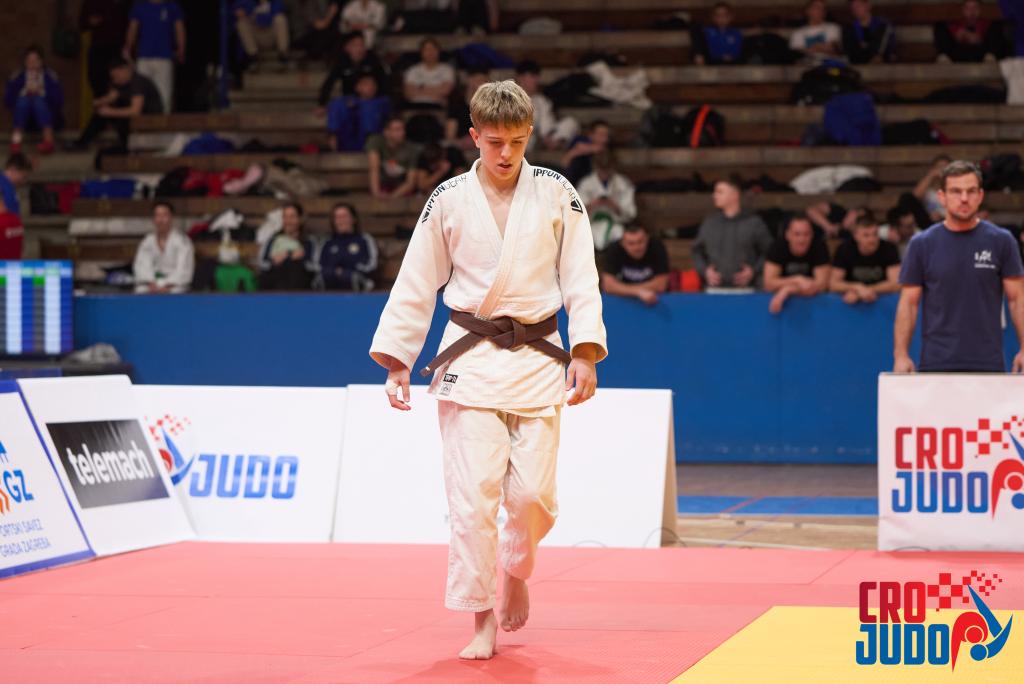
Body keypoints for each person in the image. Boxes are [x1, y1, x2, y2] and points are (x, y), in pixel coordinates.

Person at [369, 80, 606, 660]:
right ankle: (480, 618)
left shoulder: (557, 192)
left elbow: (581, 275)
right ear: (474, 135)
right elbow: (417, 279)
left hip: (539, 356)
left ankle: (516, 569)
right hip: (470, 360)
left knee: (532, 497)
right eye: (496, 142)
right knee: (472, 501)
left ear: (531, 136)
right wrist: (398, 360)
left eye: (518, 143)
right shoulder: (448, 198)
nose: (506, 154)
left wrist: (584, 351)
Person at [895, 160, 1024, 373]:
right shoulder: (922, 244)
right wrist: (901, 354)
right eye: (956, 191)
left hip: (988, 363)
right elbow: (908, 303)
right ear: (942, 197)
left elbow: (1017, 299)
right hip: (936, 363)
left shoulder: (1002, 241)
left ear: (980, 196)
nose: (964, 198)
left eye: (971, 191)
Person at [691, 177, 773, 289]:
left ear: (735, 195)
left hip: (748, 290)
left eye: (720, 192)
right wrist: (705, 271)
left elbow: (770, 252)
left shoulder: (754, 223)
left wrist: (754, 271)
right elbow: (696, 251)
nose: (714, 195)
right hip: (714, 291)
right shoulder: (709, 223)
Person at [74, 57, 163, 148]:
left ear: (125, 70)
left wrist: (110, 112)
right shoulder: (121, 84)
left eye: (117, 75)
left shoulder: (138, 82)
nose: (115, 79)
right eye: (113, 76)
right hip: (133, 121)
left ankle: (124, 146)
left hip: (148, 120)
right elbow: (111, 97)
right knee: (101, 113)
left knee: (110, 113)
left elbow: (135, 111)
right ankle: (82, 142)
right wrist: (99, 102)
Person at [124, 0, 185, 113]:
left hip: (164, 56)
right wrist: (128, 46)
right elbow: (133, 28)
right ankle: (141, 118)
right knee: (140, 90)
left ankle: (163, 119)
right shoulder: (140, 6)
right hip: (144, 56)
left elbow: (179, 28)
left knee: (164, 92)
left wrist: (181, 48)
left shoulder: (171, 6)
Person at [763, 214, 831, 313]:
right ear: (787, 235)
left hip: (813, 303)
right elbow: (769, 284)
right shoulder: (777, 247)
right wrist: (797, 279)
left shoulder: (819, 247)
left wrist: (788, 290)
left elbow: (822, 286)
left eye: (806, 234)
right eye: (797, 234)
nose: (801, 239)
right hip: (782, 304)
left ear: (812, 235)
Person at [829, 214, 901, 304]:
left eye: (875, 234)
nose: (872, 239)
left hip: (881, 301)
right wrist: (857, 287)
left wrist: (865, 291)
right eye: (866, 235)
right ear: (856, 236)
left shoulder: (889, 248)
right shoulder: (845, 249)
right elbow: (833, 284)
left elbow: (896, 284)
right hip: (850, 302)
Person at [5, 46, 63, 155]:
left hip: (46, 115)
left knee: (38, 100)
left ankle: (48, 141)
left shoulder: (49, 76)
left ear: (41, 62)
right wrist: (24, 91)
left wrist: (41, 92)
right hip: (23, 117)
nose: (32, 64)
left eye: (35, 60)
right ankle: (16, 141)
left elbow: (58, 100)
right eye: (29, 61)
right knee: (23, 101)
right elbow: (8, 99)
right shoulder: (18, 76)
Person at [514, 60, 579, 153]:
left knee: (570, 123)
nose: (536, 80)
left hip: (542, 141)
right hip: (522, 140)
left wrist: (547, 137)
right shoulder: (509, 98)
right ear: (520, 77)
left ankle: (553, 145)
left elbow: (547, 126)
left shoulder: (541, 100)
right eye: (532, 76)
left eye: (537, 77)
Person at [577, 150, 637, 251]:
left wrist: (614, 206)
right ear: (595, 167)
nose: (604, 173)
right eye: (601, 169)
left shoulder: (623, 183)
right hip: (592, 224)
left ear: (613, 167)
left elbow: (630, 214)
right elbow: (577, 213)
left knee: (619, 234)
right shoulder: (585, 184)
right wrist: (592, 204)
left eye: (607, 169)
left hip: (614, 224)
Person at [316, 31, 389, 110]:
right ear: (347, 47)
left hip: (373, 98)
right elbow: (329, 82)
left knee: (369, 107)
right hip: (350, 99)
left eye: (362, 44)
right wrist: (321, 103)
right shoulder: (342, 61)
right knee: (336, 106)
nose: (359, 48)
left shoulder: (372, 59)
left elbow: (384, 80)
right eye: (355, 45)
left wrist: (373, 92)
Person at [132, 201, 195, 293]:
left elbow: (184, 270)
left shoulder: (182, 241)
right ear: (153, 219)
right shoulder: (147, 241)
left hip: (175, 285)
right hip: (152, 284)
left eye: (165, 215)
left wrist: (167, 284)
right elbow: (141, 267)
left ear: (171, 218)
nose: (161, 220)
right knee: (140, 290)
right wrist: (152, 283)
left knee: (176, 291)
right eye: (157, 215)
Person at [600, 225, 670, 305]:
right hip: (624, 301)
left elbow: (661, 285)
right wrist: (638, 292)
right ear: (622, 243)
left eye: (640, 242)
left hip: (655, 299)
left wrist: (622, 289)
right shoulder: (614, 249)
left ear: (647, 239)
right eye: (631, 243)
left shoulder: (656, 246)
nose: (637, 247)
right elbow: (607, 285)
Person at [79, 0, 132, 99]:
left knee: (120, 81)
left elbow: (132, 22)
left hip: (118, 48)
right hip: (98, 47)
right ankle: (101, 105)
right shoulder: (92, 2)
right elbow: (82, 23)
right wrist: (90, 21)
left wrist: (128, 46)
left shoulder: (126, 3)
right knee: (96, 79)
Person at [319, 202, 378, 290]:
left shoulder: (365, 239)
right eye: (337, 217)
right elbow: (319, 265)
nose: (341, 220)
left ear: (353, 219)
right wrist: (334, 271)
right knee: (325, 276)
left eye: (344, 216)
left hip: (358, 281)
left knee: (349, 277)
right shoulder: (327, 241)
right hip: (330, 281)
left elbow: (371, 265)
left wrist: (346, 271)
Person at [258, 202, 317, 290]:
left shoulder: (309, 241)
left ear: (300, 219)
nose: (288, 221)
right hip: (275, 287)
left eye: (292, 217)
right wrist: (273, 262)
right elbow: (262, 264)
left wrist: (302, 259)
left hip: (300, 288)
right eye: (285, 217)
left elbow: (315, 267)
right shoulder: (273, 239)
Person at [327, 73, 391, 151]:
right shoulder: (344, 102)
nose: (370, 87)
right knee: (338, 106)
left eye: (373, 84)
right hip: (348, 142)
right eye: (366, 84)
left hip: (372, 142)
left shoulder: (382, 102)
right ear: (357, 87)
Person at [366, 116, 421, 198]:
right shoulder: (376, 141)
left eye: (403, 129)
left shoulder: (412, 149)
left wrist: (392, 197)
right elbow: (374, 169)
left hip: (401, 188)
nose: (402, 133)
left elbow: (410, 182)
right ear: (386, 132)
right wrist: (376, 193)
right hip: (382, 185)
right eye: (397, 130)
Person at [934, 0, 1006, 62]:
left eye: (975, 8)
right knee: (940, 27)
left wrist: (979, 40)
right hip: (957, 56)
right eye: (968, 8)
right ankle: (944, 58)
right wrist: (958, 37)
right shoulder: (955, 25)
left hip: (981, 55)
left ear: (980, 9)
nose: (972, 12)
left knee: (996, 27)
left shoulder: (987, 24)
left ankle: (990, 57)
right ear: (963, 10)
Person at [233, 0, 291, 70]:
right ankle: (253, 57)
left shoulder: (275, 2)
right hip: (256, 37)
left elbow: (278, 9)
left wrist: (256, 16)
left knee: (280, 19)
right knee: (241, 23)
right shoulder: (248, 2)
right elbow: (238, 10)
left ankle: (283, 54)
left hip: (271, 36)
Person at [403, 37, 456, 109]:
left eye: (433, 49)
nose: (430, 53)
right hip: (415, 106)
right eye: (426, 49)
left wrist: (420, 89)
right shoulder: (412, 70)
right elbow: (408, 92)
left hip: (438, 106)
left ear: (438, 51)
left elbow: (446, 91)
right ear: (421, 52)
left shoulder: (447, 70)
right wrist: (435, 90)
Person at [446, 67, 489, 150]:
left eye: (484, 81)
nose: (481, 85)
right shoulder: (457, 102)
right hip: (459, 144)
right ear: (469, 80)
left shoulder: (490, 105)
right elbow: (450, 133)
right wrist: (460, 142)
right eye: (478, 80)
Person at [0, 154, 31, 260]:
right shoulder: (3, 185)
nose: (23, 181)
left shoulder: (10, 187)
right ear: (13, 169)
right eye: (23, 176)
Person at [561, 119, 611, 185]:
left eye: (607, 135)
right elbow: (579, 147)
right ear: (590, 135)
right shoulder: (581, 140)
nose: (605, 139)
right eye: (601, 135)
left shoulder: (607, 150)